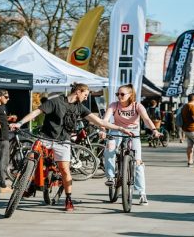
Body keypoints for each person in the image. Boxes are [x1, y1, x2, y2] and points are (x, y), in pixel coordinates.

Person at [10, 83, 131, 211]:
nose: (86, 98)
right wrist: (19, 123)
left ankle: (68, 199)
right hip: (45, 137)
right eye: (85, 95)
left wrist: (120, 128)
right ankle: (26, 184)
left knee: (64, 170)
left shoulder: (80, 107)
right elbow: (36, 112)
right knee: (31, 155)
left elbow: (100, 121)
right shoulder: (56, 101)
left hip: (63, 142)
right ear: (78, 92)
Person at [100, 84, 160, 206]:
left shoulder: (137, 106)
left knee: (138, 163)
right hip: (117, 130)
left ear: (130, 95)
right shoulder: (114, 105)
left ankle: (142, 194)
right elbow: (105, 120)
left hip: (133, 132)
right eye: (118, 94)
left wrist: (154, 130)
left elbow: (147, 119)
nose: (119, 96)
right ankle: (111, 177)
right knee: (109, 148)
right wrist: (103, 129)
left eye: (122, 94)